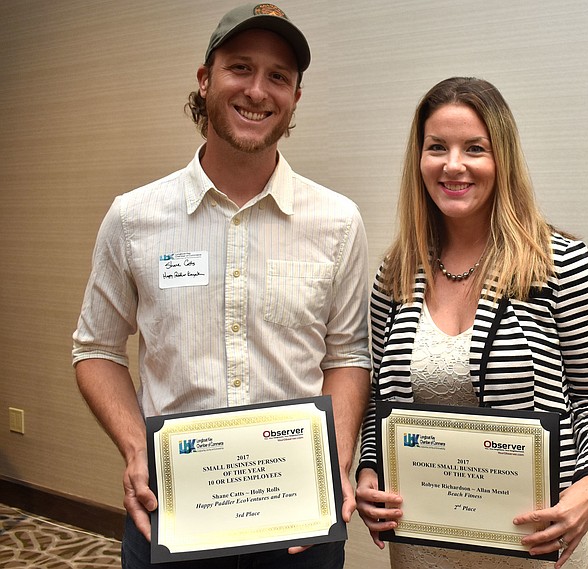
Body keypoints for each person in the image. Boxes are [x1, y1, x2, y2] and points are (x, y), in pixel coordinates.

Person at [72, 4, 370, 568]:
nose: (258, 90)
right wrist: (136, 449)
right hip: (171, 510)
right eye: (240, 67)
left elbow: (347, 355)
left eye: (278, 76)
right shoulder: (133, 218)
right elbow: (96, 349)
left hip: (298, 523)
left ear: (295, 97)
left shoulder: (337, 222)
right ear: (205, 79)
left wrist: (334, 461)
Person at [355, 77, 588, 569]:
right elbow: (379, 402)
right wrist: (369, 469)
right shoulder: (395, 273)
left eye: (474, 148)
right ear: (419, 159)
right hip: (422, 548)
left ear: (502, 160)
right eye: (437, 147)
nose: (453, 164)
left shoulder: (558, 264)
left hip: (531, 545)